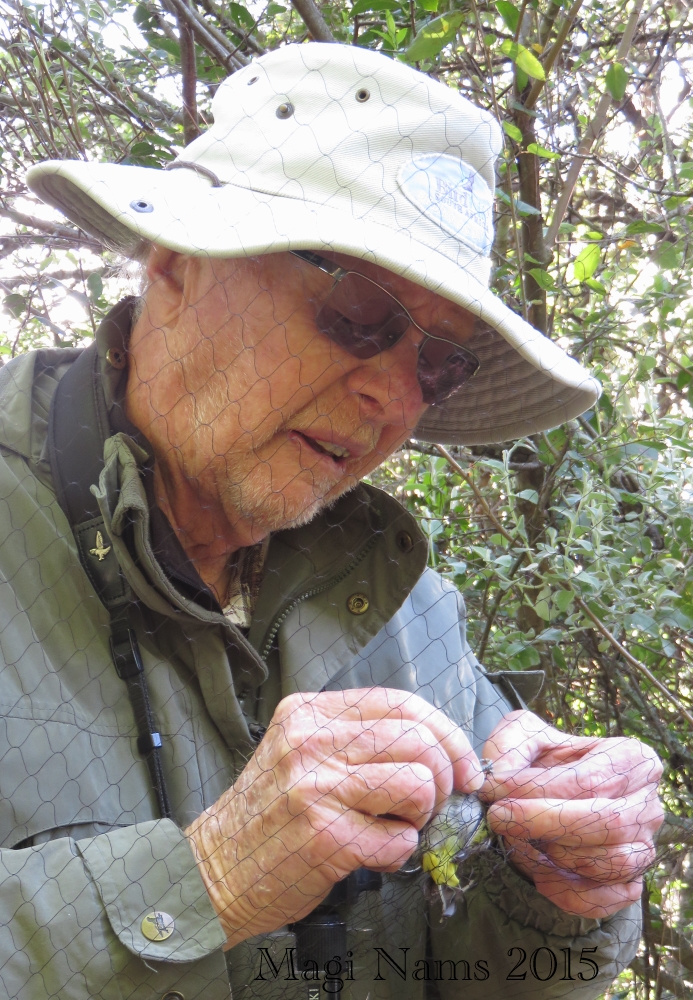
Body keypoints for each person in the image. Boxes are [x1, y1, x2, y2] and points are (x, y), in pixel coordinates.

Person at [0, 41, 659, 1000]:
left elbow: (486, 981)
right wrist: (204, 881)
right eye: (357, 310)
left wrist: (563, 890)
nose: (395, 398)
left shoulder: (407, 611)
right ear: (179, 257)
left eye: (440, 366)